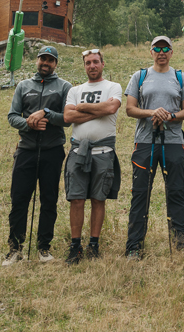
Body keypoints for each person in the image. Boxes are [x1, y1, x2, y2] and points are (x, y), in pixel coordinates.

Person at [124, 36, 184, 258]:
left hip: (173, 142)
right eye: (157, 48)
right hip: (145, 142)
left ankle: (182, 245)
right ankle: (134, 247)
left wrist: (169, 116)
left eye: (166, 48)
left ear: (172, 52)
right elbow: (130, 108)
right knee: (140, 194)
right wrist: (152, 112)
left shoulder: (180, 77)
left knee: (176, 192)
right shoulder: (140, 76)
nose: (161, 52)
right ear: (151, 51)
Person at [4, 46, 72, 265]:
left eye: (51, 60)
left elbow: (68, 119)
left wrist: (48, 116)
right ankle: (15, 249)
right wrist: (28, 123)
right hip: (26, 150)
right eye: (43, 58)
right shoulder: (24, 86)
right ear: (37, 60)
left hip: (53, 150)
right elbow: (12, 116)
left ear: (56, 64)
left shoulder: (64, 87)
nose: (46, 62)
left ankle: (44, 247)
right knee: (19, 199)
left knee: (49, 199)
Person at [63, 49, 123, 263]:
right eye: (88, 63)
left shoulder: (113, 87)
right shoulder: (74, 89)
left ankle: (94, 244)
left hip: (103, 152)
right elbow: (68, 116)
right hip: (78, 152)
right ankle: (75, 245)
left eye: (96, 62)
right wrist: (98, 109)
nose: (92, 66)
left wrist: (83, 107)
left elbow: (111, 107)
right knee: (77, 199)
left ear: (103, 64)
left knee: (99, 199)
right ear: (84, 65)